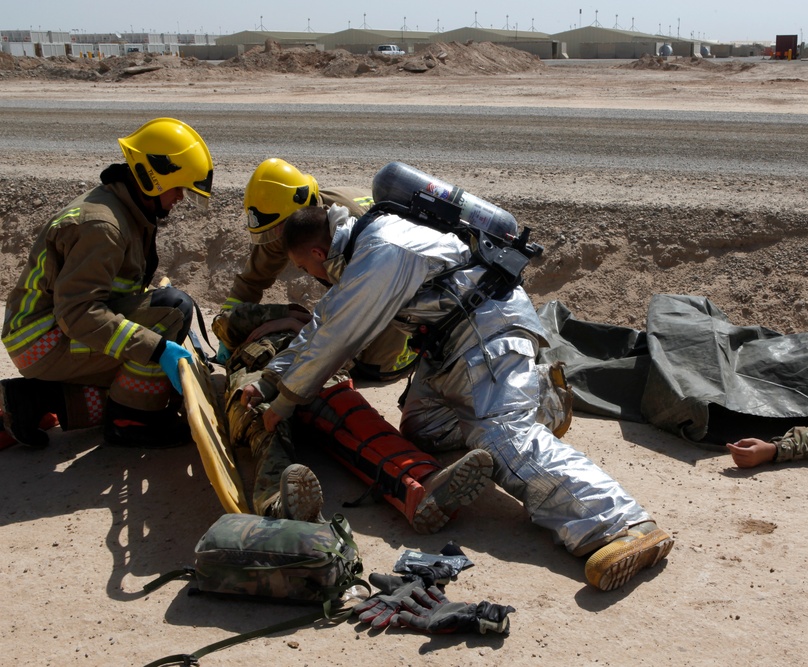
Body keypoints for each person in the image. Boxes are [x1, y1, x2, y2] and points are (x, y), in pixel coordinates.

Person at [241, 202, 673, 592]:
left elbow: (337, 334)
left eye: (303, 267)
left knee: (499, 436)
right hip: (452, 342)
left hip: (488, 332)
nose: (309, 276)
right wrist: (267, 381)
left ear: (317, 253)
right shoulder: (367, 242)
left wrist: (282, 402)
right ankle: (537, 397)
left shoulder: (381, 250)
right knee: (422, 429)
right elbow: (327, 320)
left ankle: (621, 523)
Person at [1, 117, 212, 449]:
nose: (181, 198)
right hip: (44, 338)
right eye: (179, 188)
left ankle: (34, 400)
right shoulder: (103, 226)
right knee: (171, 313)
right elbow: (78, 313)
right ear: (153, 179)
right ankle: (132, 421)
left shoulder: (125, 208)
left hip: (52, 332)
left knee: (153, 380)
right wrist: (156, 348)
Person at [220, 302, 494, 532]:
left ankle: (424, 488)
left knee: (360, 423)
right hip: (256, 382)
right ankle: (284, 507)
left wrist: (293, 323)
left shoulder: (314, 327)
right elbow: (226, 320)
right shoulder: (251, 336)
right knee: (267, 433)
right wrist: (286, 320)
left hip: (316, 375)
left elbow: (336, 328)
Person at [219, 158, 414, 381]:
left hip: (397, 295)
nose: (278, 237)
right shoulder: (283, 222)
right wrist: (226, 334)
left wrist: (298, 327)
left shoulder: (354, 234)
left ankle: (401, 355)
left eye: (281, 230)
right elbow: (252, 280)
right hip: (365, 292)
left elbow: (354, 312)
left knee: (373, 364)